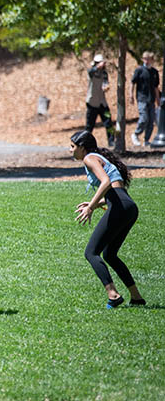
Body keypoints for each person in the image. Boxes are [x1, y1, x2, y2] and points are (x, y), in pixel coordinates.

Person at [69, 130, 145, 308]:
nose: (70, 150)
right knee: (109, 254)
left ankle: (113, 294)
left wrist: (90, 207)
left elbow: (105, 182)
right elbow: (115, 192)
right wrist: (94, 204)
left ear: (82, 147)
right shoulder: (97, 157)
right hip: (128, 207)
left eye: (72, 146)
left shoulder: (89, 158)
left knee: (91, 252)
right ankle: (136, 297)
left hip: (120, 207)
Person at [131, 51, 161, 146]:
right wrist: (130, 95)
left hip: (151, 99)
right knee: (144, 118)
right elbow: (132, 83)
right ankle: (136, 134)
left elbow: (156, 87)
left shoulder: (154, 72)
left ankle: (146, 140)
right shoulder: (139, 70)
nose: (146, 61)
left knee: (151, 120)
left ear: (152, 60)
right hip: (142, 98)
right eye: (145, 59)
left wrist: (158, 100)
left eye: (148, 59)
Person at [85, 54, 115, 147]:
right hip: (92, 103)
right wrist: (97, 66)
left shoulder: (104, 73)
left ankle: (111, 142)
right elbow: (90, 71)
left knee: (109, 123)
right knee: (89, 126)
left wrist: (106, 87)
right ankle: (85, 143)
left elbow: (105, 83)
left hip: (102, 103)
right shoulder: (92, 72)